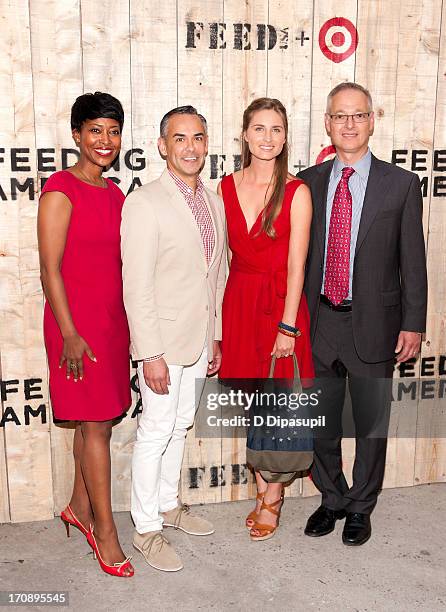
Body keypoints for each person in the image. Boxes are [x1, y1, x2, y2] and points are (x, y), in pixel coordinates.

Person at [298, 82, 427, 546]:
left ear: (372, 121)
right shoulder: (308, 183)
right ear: (328, 124)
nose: (348, 124)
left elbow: (413, 261)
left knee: (371, 423)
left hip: (376, 322)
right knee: (322, 419)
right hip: (321, 320)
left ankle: (361, 506)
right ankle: (331, 498)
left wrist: (413, 322)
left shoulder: (401, 184)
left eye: (358, 115)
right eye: (339, 116)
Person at [121, 105, 226, 572]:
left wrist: (216, 336)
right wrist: (150, 354)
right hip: (162, 343)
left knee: (181, 425)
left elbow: (216, 275)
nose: (190, 147)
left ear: (206, 145)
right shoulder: (144, 202)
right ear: (163, 146)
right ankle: (145, 528)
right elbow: (136, 285)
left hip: (199, 338)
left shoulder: (213, 199)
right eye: (179, 138)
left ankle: (168, 505)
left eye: (198, 138)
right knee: (155, 433)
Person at [37, 92, 134, 577]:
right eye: (95, 130)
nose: (105, 140)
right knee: (95, 425)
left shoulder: (115, 194)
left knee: (94, 422)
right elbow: (50, 270)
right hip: (75, 326)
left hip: (111, 323)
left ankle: (77, 505)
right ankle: (105, 532)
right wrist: (70, 333)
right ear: (76, 134)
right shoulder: (59, 189)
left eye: (113, 131)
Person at [218, 97, 314, 541]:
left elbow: (298, 267)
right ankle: (263, 493)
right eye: (259, 128)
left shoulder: (296, 191)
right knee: (257, 405)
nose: (268, 138)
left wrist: (288, 326)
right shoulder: (223, 186)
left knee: (281, 405)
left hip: (280, 307)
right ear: (245, 134)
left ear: (285, 136)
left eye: (276, 129)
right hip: (240, 302)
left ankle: (272, 499)